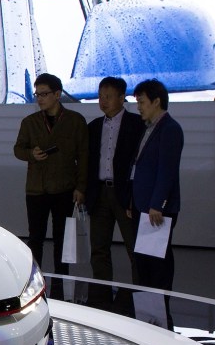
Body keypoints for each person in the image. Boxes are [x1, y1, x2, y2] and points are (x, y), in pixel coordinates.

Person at [13, 73, 88, 294]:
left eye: (44, 94)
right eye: (37, 94)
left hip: (64, 188)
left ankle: (61, 285)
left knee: (61, 239)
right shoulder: (30, 122)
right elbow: (18, 149)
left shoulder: (75, 121)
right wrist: (31, 153)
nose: (40, 99)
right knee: (35, 238)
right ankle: (33, 283)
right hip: (36, 188)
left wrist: (81, 187)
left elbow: (84, 156)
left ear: (57, 94)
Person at [85, 77, 145, 302]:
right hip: (99, 192)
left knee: (134, 247)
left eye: (108, 97)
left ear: (122, 98)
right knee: (99, 248)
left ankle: (139, 296)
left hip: (124, 193)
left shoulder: (137, 124)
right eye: (100, 96)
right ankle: (101, 297)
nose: (103, 101)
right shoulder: (94, 126)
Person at [129, 78, 183, 293]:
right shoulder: (149, 128)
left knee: (157, 259)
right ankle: (148, 304)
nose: (139, 107)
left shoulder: (170, 129)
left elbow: (167, 172)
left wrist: (157, 204)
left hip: (157, 207)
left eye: (142, 102)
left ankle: (160, 306)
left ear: (156, 101)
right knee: (144, 259)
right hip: (143, 204)